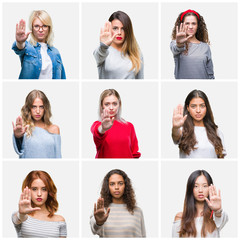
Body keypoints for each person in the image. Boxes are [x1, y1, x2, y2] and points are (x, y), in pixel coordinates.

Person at [90, 169, 146, 237]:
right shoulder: (101, 211)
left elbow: (143, 236)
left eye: (120, 183)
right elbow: (94, 230)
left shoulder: (137, 211)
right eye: (112, 184)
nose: (116, 187)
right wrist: (98, 222)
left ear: (125, 186)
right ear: (108, 187)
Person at [172, 170, 228, 237]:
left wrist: (217, 210)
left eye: (204, 186)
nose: (200, 190)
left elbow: (221, 217)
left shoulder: (215, 216)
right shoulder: (180, 218)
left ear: (210, 187)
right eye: (196, 186)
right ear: (190, 189)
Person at [172, 89, 226, 158]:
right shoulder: (182, 131)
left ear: (206, 108)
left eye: (202, 106)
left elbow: (221, 158)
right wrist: (175, 128)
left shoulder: (217, 132)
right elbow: (176, 136)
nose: (198, 110)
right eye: (193, 106)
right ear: (188, 108)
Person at [12, 10, 66, 79]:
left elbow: (63, 78)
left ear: (49, 28)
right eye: (36, 26)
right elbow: (19, 48)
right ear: (32, 28)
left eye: (44, 26)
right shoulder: (27, 47)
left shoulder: (56, 52)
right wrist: (20, 42)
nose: (40, 30)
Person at [12, 170, 67, 238]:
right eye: (34, 189)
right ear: (27, 190)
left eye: (44, 189)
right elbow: (17, 218)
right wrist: (22, 214)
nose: (39, 194)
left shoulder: (59, 220)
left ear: (49, 192)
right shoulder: (20, 215)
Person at [91, 89, 141, 158]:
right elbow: (97, 131)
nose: (111, 108)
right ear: (102, 106)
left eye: (114, 104)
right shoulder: (97, 125)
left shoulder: (129, 126)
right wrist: (103, 128)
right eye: (107, 104)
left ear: (119, 105)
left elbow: (134, 153)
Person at [94, 11, 143, 79]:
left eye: (123, 29)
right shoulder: (103, 51)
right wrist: (103, 46)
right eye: (115, 28)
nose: (119, 32)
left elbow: (140, 80)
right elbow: (99, 54)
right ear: (109, 29)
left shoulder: (136, 53)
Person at [12, 90, 62, 158]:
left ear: (45, 108)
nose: (38, 111)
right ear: (29, 108)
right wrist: (18, 137)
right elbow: (20, 151)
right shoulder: (23, 129)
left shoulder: (54, 129)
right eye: (34, 107)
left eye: (41, 107)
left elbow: (58, 157)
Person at [170, 9, 214, 79]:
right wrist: (180, 44)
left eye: (193, 23)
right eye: (187, 23)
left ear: (198, 26)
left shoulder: (205, 47)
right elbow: (175, 48)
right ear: (182, 25)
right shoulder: (175, 43)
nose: (190, 27)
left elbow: (210, 74)